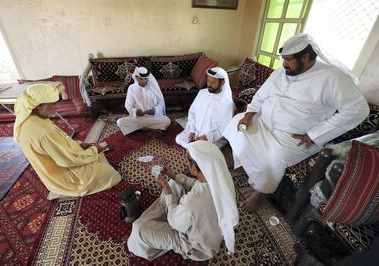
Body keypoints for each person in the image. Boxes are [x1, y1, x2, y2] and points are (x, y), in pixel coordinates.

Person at [223, 33, 370, 211]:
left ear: (306, 57)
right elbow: (261, 94)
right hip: (263, 122)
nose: (284, 64)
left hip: (293, 136)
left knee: (276, 156)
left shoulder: (332, 77)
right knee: (238, 123)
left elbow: (358, 110)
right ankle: (234, 160)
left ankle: (261, 192)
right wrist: (250, 114)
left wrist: (314, 134)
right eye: (283, 59)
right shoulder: (283, 71)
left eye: (288, 60)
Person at [127, 140, 238, 261]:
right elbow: (196, 185)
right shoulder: (221, 179)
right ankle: (164, 212)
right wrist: (174, 176)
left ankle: (157, 219)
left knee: (139, 229)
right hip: (202, 223)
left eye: (188, 163)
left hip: (195, 246)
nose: (186, 164)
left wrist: (166, 189)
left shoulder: (192, 204)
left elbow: (174, 222)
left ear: (195, 169)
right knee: (175, 183)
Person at [14, 84, 122, 200]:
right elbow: (68, 160)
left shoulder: (32, 117)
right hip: (62, 173)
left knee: (96, 155)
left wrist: (79, 145)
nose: (56, 107)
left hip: (60, 160)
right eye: (53, 104)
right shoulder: (43, 133)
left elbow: (60, 141)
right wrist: (94, 150)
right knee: (111, 175)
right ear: (39, 106)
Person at [175, 67, 234, 149]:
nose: (209, 84)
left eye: (213, 82)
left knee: (198, 148)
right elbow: (192, 112)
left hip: (210, 137)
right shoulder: (202, 93)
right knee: (179, 139)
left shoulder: (226, 102)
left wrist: (207, 137)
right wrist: (192, 131)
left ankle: (196, 149)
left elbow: (225, 127)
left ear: (222, 82)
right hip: (196, 131)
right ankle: (195, 148)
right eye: (208, 81)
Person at [117, 67, 171, 135]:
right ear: (136, 77)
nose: (143, 81)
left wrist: (155, 110)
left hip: (153, 118)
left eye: (145, 78)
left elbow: (160, 104)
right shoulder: (132, 88)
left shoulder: (153, 88)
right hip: (138, 118)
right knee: (120, 122)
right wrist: (135, 111)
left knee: (166, 121)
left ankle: (139, 128)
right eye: (141, 79)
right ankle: (150, 128)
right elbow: (128, 105)